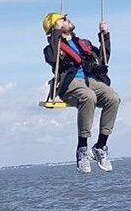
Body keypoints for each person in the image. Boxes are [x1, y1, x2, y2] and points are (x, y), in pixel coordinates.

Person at [42, 12, 120, 174]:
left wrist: (104, 36)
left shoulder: (83, 43)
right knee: (88, 97)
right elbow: (53, 58)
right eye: (63, 19)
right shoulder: (50, 48)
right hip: (70, 83)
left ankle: (100, 146)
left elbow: (104, 58)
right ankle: (82, 149)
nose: (68, 20)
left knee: (113, 98)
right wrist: (56, 33)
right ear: (56, 26)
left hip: (91, 80)